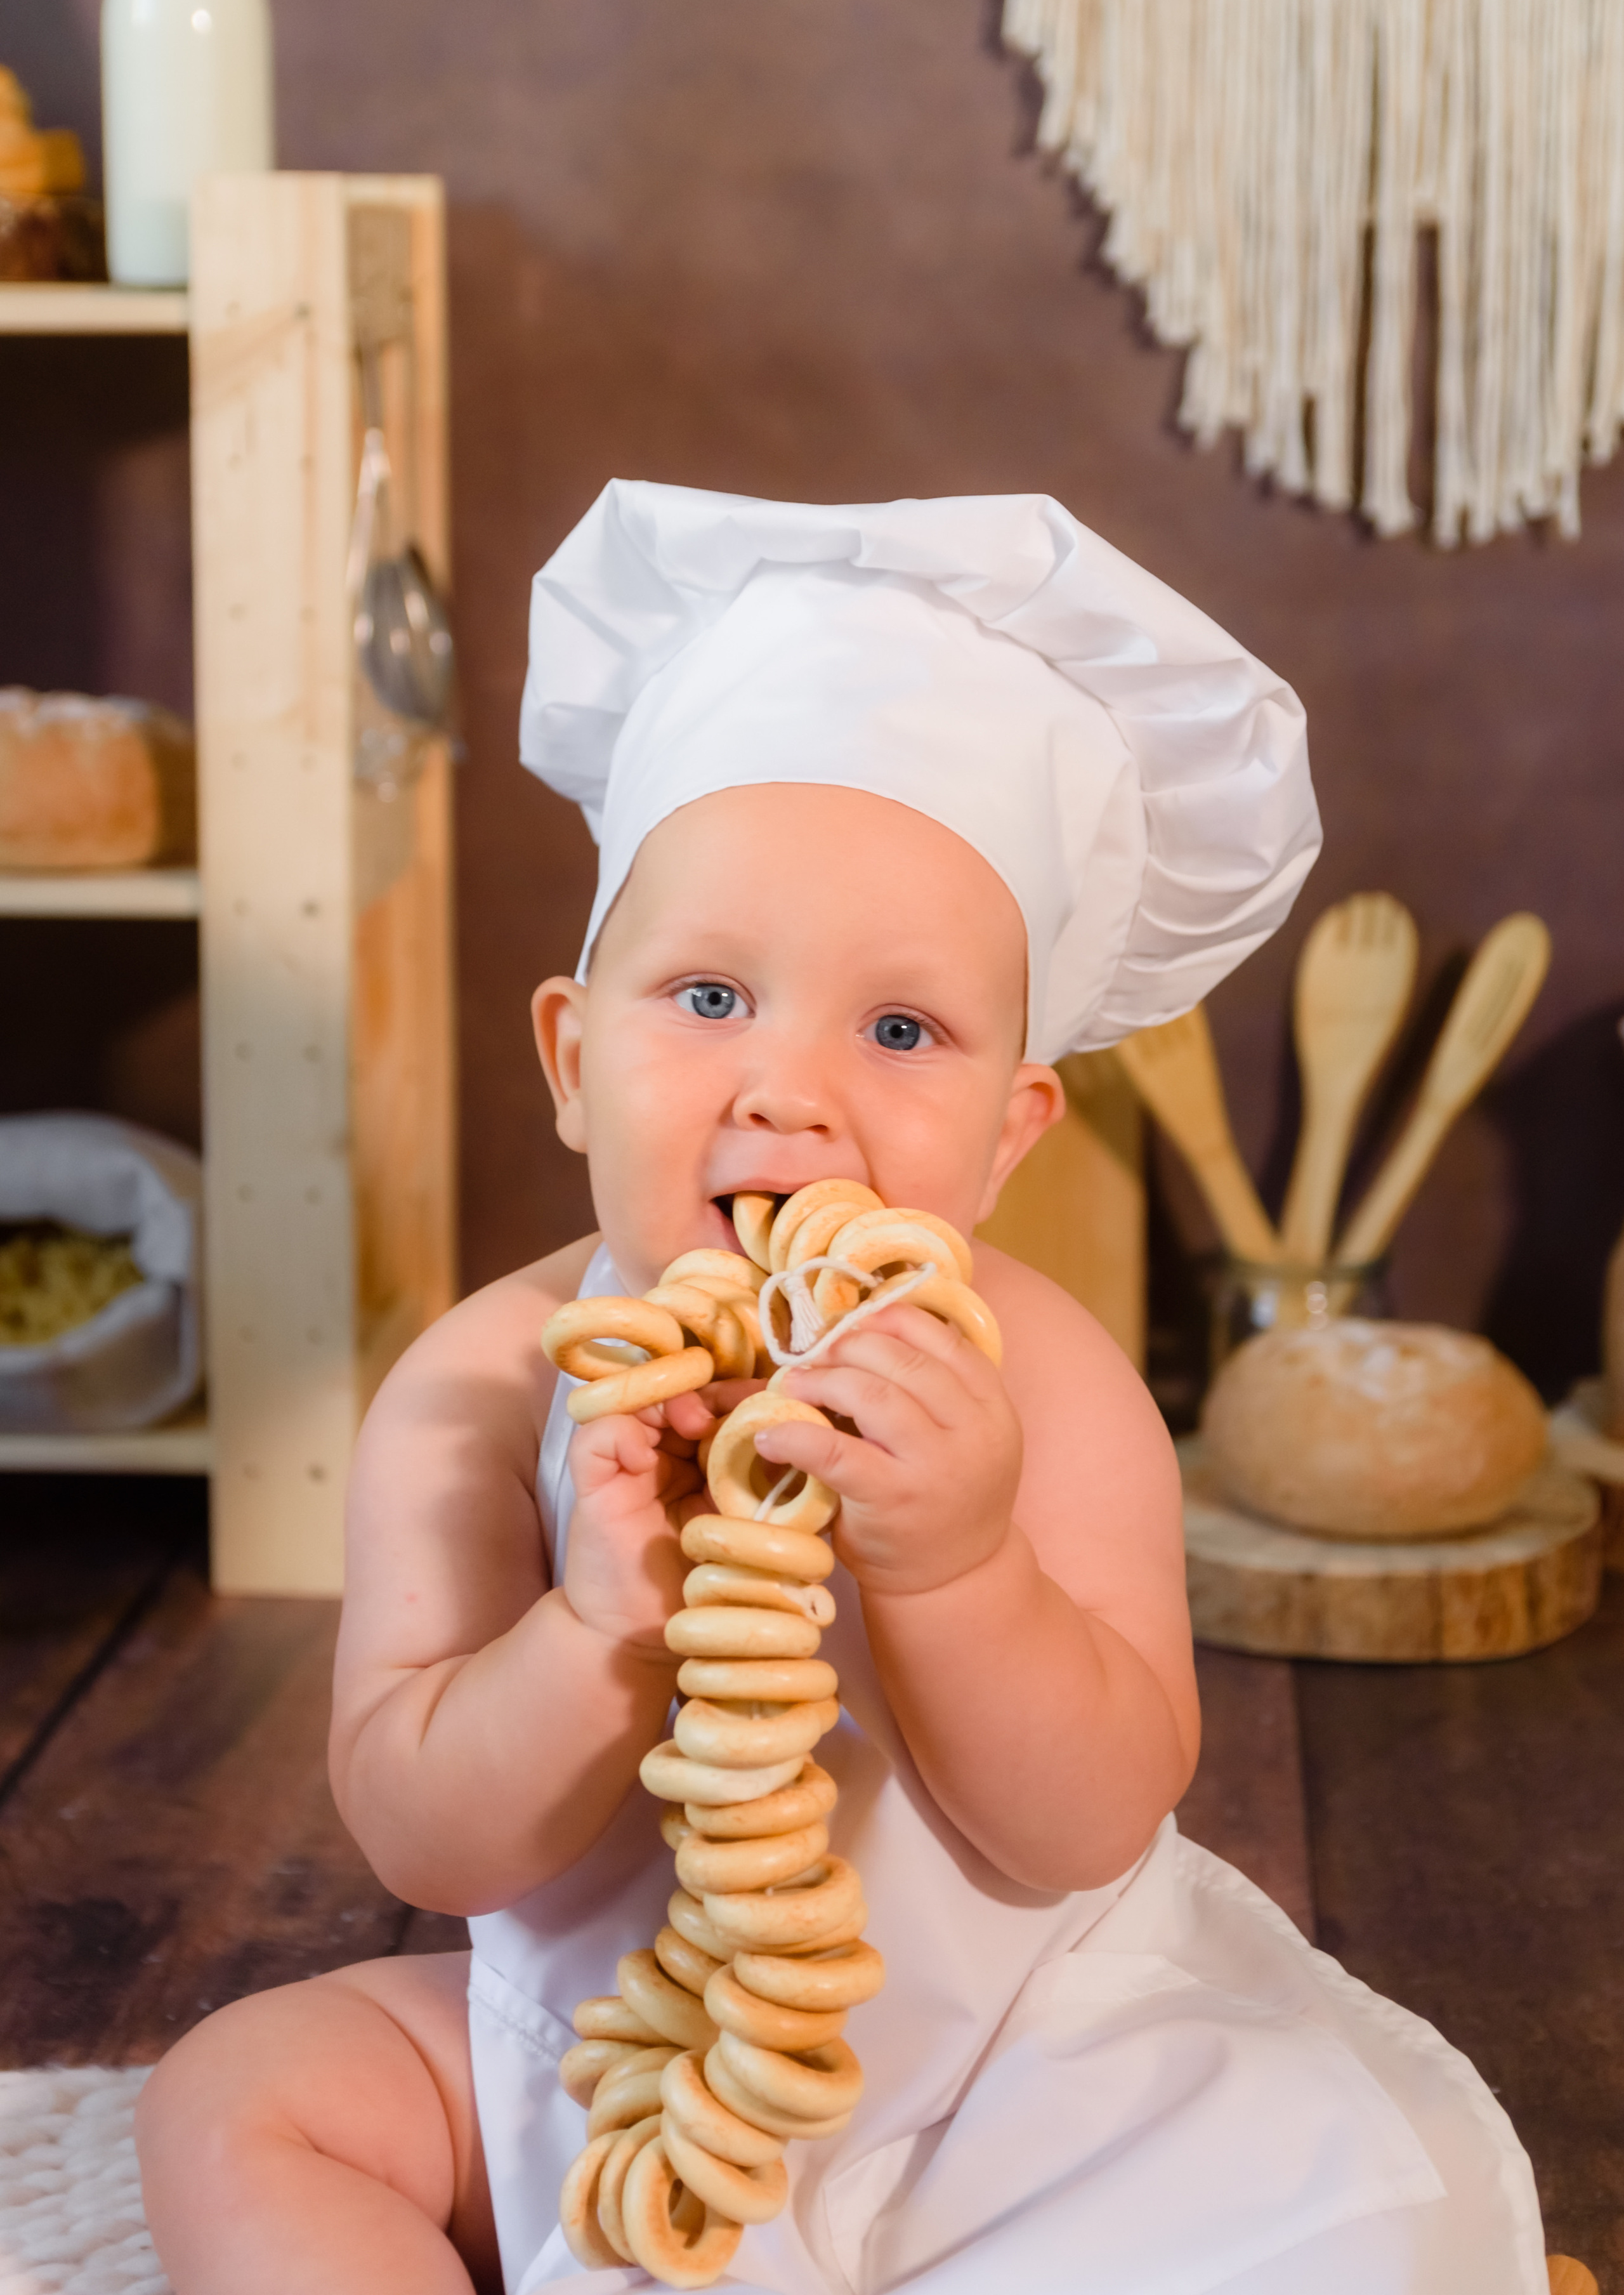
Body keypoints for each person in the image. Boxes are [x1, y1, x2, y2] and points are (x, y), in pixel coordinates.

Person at [136, 485, 1545, 2295]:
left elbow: (1089, 1824)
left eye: (899, 1030)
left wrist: (962, 1569)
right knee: (243, 2100)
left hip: (1021, 2071)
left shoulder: (1047, 1381)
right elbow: (428, 1840)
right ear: (572, 1056)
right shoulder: (480, 1387)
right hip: (611, 2051)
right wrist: (597, 1627)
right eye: (709, 995)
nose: (788, 1089)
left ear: (1010, 1132)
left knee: (1360, 2198)